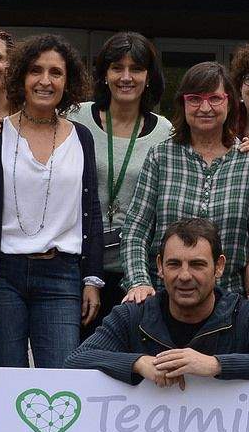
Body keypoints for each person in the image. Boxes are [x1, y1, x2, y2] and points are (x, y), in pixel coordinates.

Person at [0, 36, 106, 368]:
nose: (45, 81)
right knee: (6, 383)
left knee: (60, 381)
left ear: (68, 80)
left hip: (62, 275)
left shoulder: (81, 137)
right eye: (35, 71)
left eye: (56, 72)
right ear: (20, 78)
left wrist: (92, 279)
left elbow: (91, 212)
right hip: (3, 276)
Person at [68, 218, 249, 383]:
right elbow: (75, 361)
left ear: (219, 267)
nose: (184, 276)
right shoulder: (133, 316)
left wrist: (216, 365)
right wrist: (137, 363)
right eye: (174, 264)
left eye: (197, 264)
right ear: (159, 267)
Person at [122, 62, 249, 308]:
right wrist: (139, 282)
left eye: (215, 98)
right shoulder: (161, 157)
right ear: (183, 103)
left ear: (229, 103)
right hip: (164, 302)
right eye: (195, 99)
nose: (205, 108)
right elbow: (136, 230)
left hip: (230, 306)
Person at [72, 33, 174, 323]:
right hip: (80, 266)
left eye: (136, 69)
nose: (126, 77)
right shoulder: (75, 117)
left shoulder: (165, 132)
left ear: (149, 77)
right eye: (117, 67)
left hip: (135, 271)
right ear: (104, 74)